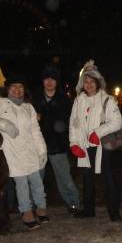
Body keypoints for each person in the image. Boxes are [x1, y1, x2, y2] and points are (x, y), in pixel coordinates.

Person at [0, 73, 49, 230]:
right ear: (7, 88)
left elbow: (35, 131)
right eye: (14, 86)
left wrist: (42, 151)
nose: (17, 89)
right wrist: (4, 124)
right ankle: (26, 213)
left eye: (20, 86)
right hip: (12, 151)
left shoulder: (28, 107)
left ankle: (41, 208)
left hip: (30, 150)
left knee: (37, 182)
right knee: (22, 185)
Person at [69, 60, 122, 222]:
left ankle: (114, 212)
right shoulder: (79, 100)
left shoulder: (107, 99)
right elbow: (73, 123)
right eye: (86, 81)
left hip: (101, 146)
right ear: (82, 83)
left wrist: (97, 133)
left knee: (107, 178)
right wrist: (74, 143)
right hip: (85, 146)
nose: (89, 84)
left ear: (98, 82)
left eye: (92, 81)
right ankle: (88, 210)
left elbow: (117, 122)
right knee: (87, 178)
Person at [32, 66, 80, 213]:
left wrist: (66, 140)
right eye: (46, 78)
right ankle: (35, 205)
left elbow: (70, 122)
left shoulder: (64, 100)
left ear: (57, 81)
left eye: (52, 78)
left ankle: (73, 203)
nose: (49, 82)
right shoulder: (35, 99)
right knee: (36, 178)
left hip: (57, 145)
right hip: (37, 145)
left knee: (64, 177)